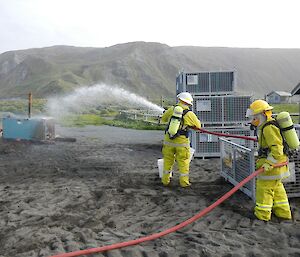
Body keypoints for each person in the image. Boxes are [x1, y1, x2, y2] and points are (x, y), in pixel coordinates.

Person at [246, 99, 292, 221]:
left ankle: (262, 214)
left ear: (261, 115)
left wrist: (268, 163)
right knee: (277, 188)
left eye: (254, 117)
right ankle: (283, 213)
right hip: (278, 166)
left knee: (264, 189)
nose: (252, 120)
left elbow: (277, 148)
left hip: (272, 166)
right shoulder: (267, 126)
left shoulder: (268, 128)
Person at [160, 92, 201, 187]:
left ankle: (165, 181)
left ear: (180, 100)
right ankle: (184, 183)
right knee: (183, 163)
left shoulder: (172, 109)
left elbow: (164, 119)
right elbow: (198, 126)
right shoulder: (189, 114)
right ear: (188, 103)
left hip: (168, 141)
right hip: (182, 143)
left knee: (167, 162)